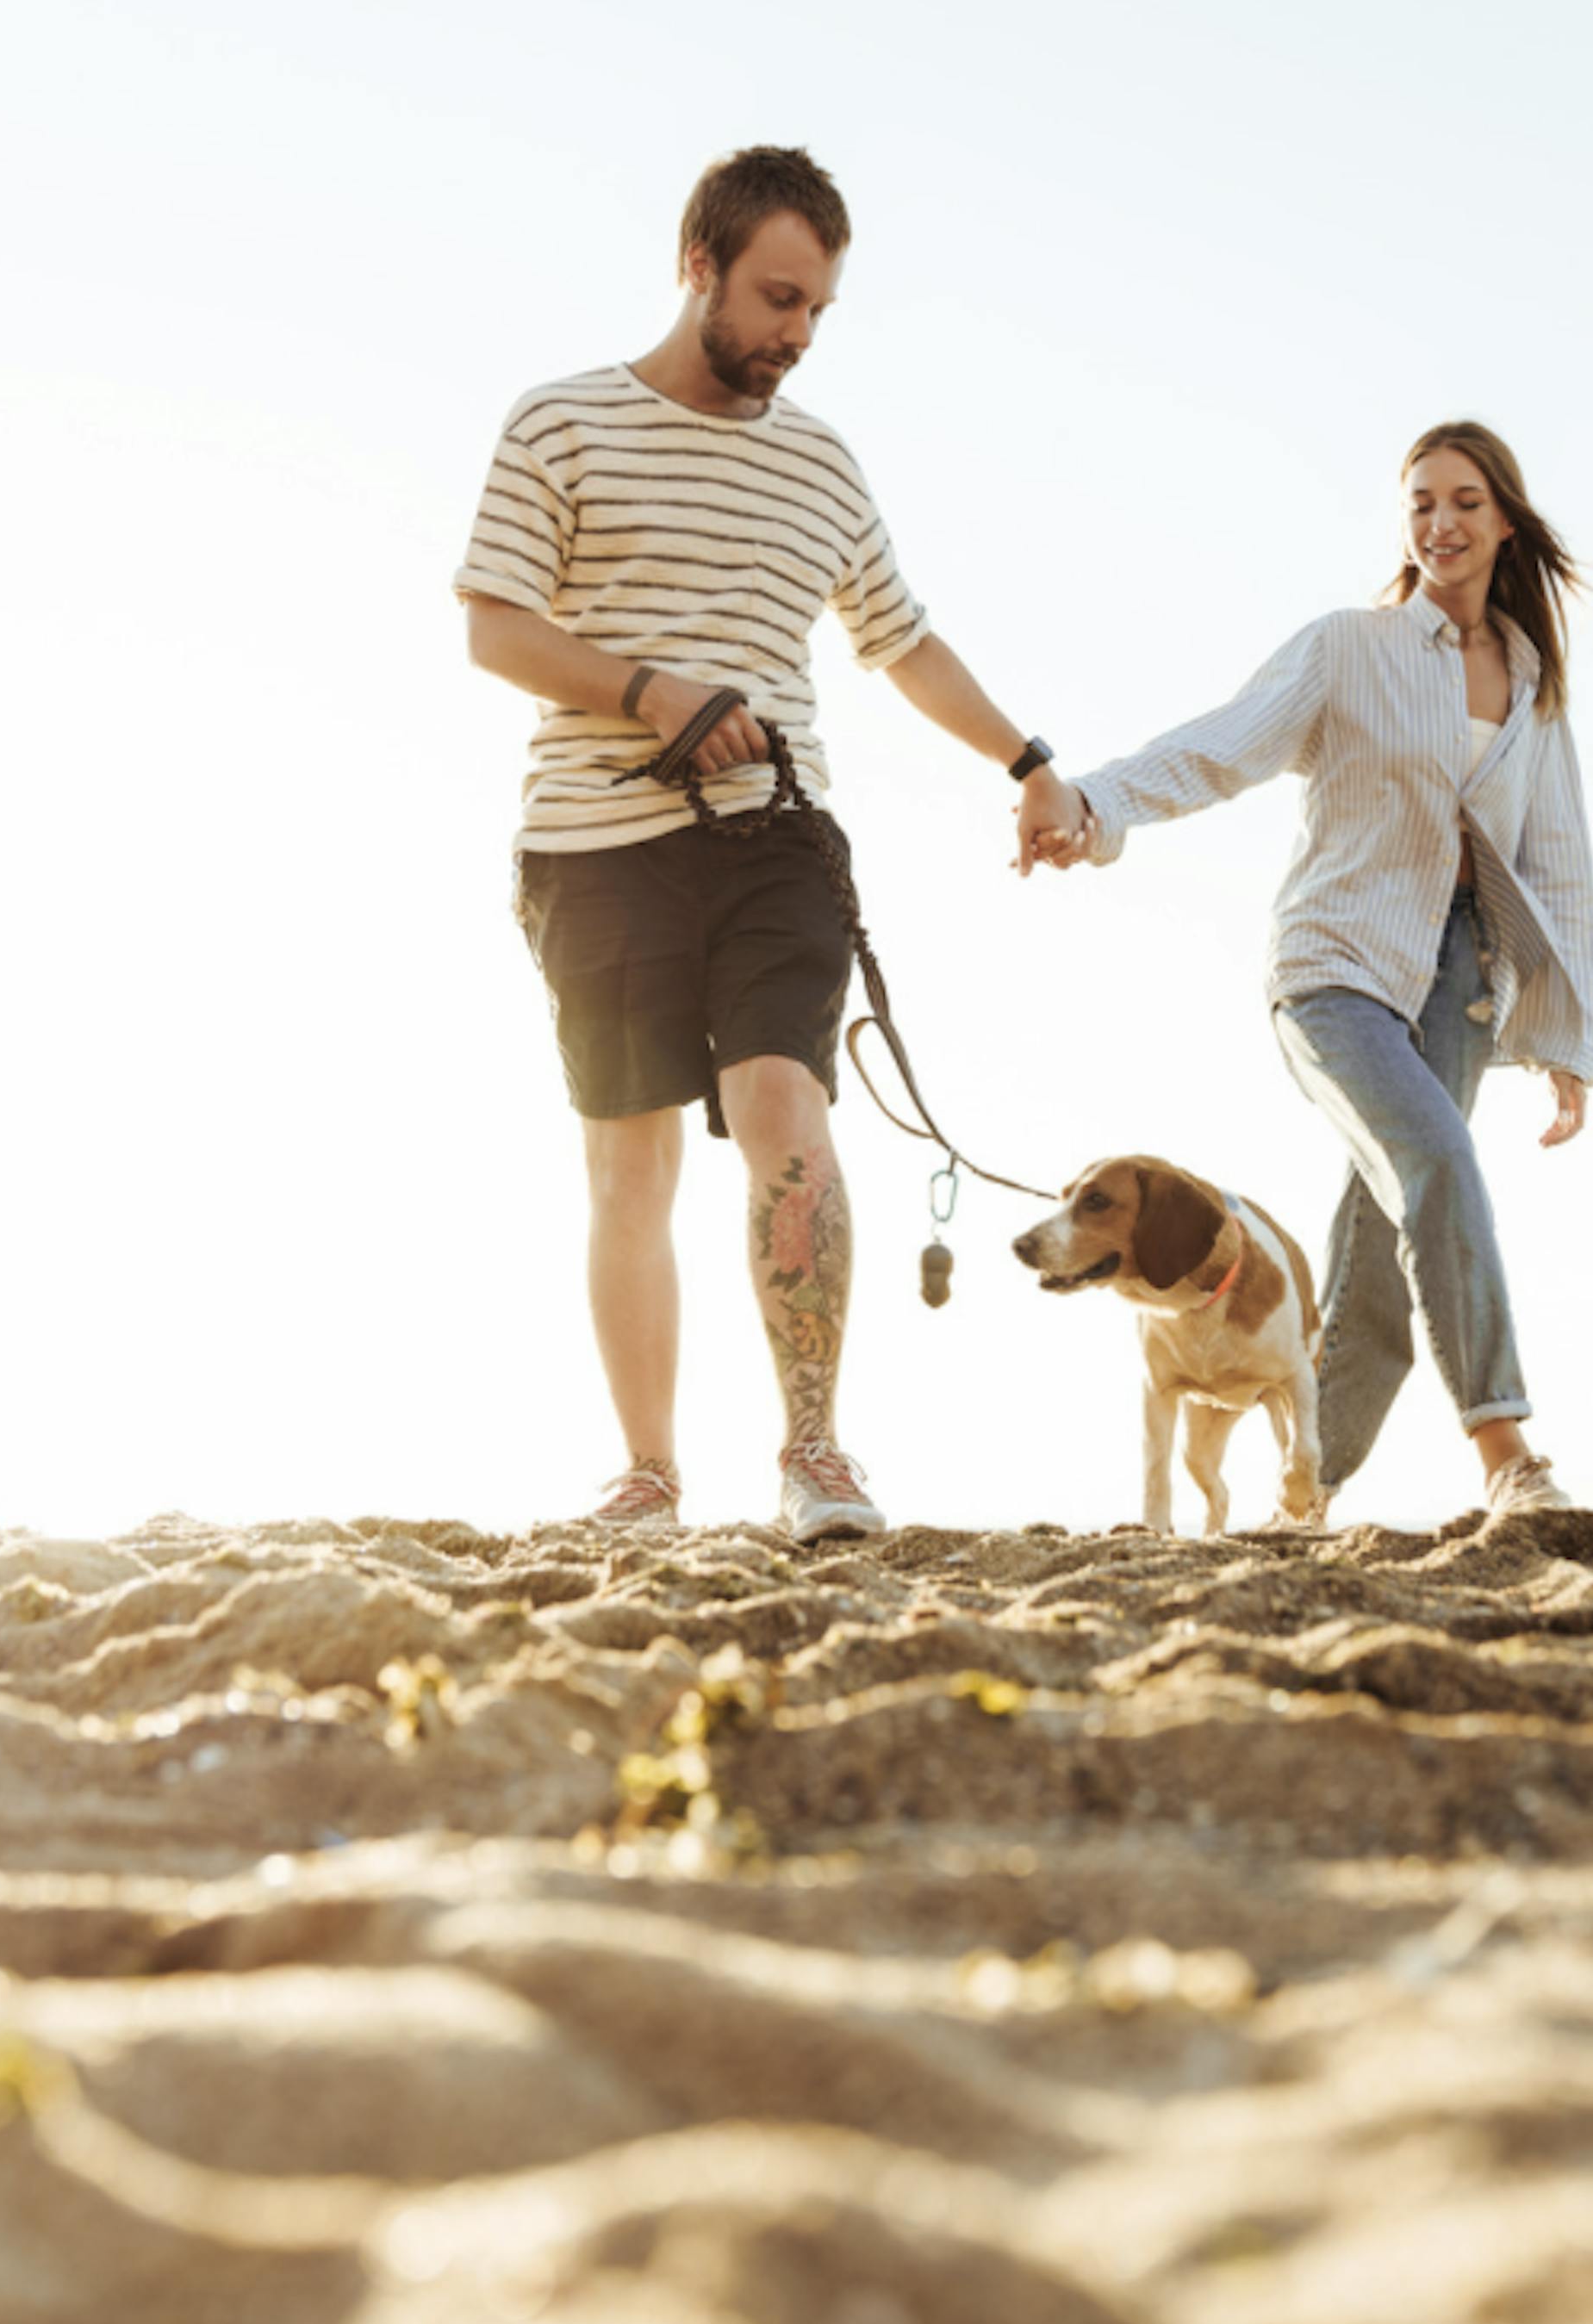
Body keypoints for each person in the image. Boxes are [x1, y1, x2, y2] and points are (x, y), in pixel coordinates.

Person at [458, 146, 1060, 1542]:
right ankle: (650, 1477)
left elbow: (901, 642)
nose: (796, 333)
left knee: (786, 1103)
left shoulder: (823, 466)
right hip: (596, 844)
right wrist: (651, 691)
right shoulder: (559, 424)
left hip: (778, 842)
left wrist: (1027, 763)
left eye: (818, 310)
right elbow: (495, 625)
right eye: (779, 297)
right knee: (632, 1163)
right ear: (698, 266)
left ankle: (815, 1452)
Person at [1014, 420, 1593, 1519]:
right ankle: (1508, 1452)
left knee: (1383, 1242)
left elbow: (1556, 860)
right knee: (1435, 1160)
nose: (1441, 523)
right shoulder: (1351, 648)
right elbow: (1223, 744)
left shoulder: (1532, 684)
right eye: (1421, 502)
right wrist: (1092, 807)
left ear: (1507, 519)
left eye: (1466, 501)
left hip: (1460, 983)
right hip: (1335, 965)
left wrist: (1567, 1036)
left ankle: (1308, 1490)